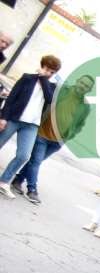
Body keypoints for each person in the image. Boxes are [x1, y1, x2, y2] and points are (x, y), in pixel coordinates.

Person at [8, 74, 94, 204]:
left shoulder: (86, 107)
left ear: (89, 90)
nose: (83, 86)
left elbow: (80, 125)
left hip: (58, 141)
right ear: (77, 81)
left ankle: (18, 180)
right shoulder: (61, 91)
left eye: (86, 86)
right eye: (82, 83)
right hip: (42, 133)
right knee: (36, 161)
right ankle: (32, 189)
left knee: (35, 162)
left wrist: (70, 136)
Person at [0, 55, 60, 199]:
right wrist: (3, 117)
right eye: (46, 69)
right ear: (42, 66)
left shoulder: (51, 87)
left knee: (24, 155)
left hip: (32, 125)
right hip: (14, 118)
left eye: (52, 72)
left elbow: (50, 99)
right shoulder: (27, 78)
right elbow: (12, 98)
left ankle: (4, 181)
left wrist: (43, 78)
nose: (48, 73)